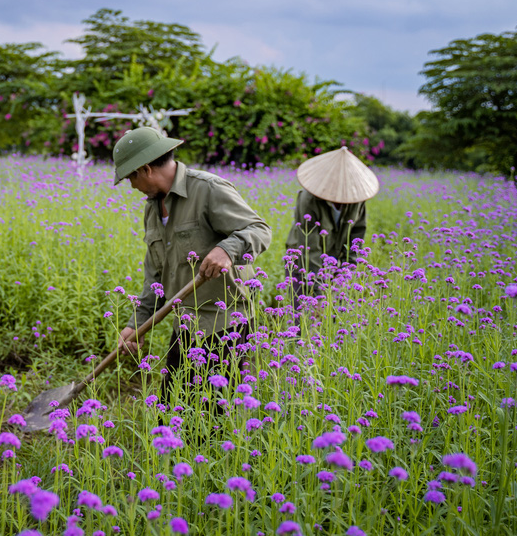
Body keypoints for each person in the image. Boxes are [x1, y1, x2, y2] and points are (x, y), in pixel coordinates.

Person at [112, 126, 272, 402]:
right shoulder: (152, 208)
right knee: (171, 409)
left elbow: (259, 229)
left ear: (145, 170)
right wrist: (136, 324)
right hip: (186, 322)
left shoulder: (208, 189)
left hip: (226, 324)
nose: (131, 186)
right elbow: (155, 273)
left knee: (215, 416)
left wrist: (227, 249)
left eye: (130, 178)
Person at [284, 146, 379, 294]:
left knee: (333, 313)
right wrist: (317, 290)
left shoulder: (357, 200)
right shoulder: (309, 199)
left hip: (334, 263)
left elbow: (357, 236)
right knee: (303, 313)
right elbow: (310, 247)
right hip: (302, 263)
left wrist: (347, 273)